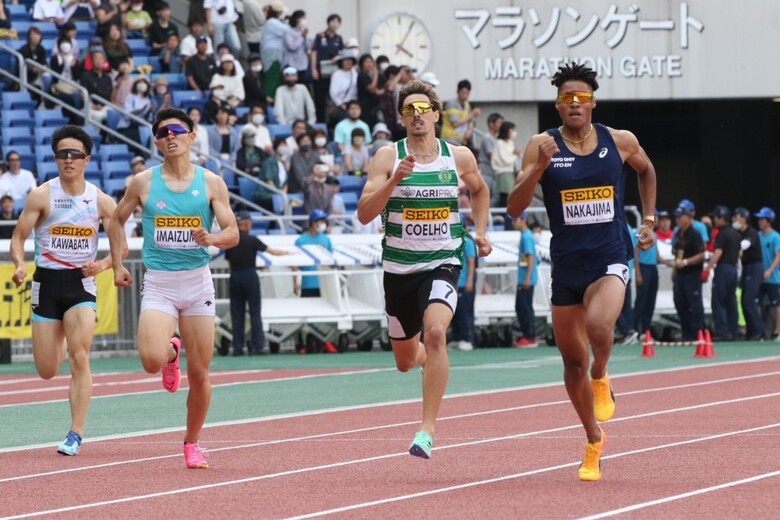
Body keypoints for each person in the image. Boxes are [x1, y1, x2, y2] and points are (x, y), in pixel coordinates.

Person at [506, 63, 657, 481]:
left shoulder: (619, 140)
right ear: (557, 105)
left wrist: (648, 219)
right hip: (567, 265)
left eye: (582, 98)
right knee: (571, 362)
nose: (574, 104)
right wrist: (539, 168)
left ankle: (602, 372)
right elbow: (514, 207)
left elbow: (647, 171)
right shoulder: (541, 145)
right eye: (567, 98)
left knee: (598, 328)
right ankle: (593, 441)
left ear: (592, 103)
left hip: (610, 255)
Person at [356, 79, 492, 459]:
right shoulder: (387, 156)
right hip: (399, 270)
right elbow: (365, 213)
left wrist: (480, 233)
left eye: (423, 109)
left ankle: (426, 430)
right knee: (404, 361)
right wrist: (395, 180)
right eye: (409, 110)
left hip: (443, 261)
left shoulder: (458, 156)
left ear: (435, 114)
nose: (417, 116)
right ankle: (424, 362)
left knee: (435, 333)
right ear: (402, 118)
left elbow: (479, 190)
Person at [108, 108, 239, 469]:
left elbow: (233, 232)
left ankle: (192, 442)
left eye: (178, 129)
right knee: (150, 359)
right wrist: (117, 263)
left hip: (197, 283)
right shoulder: (143, 183)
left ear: (192, 136)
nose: (171, 135)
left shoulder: (211, 182)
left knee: (200, 373)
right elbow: (116, 220)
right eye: (164, 132)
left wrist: (211, 237)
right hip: (160, 284)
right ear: (156, 142)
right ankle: (170, 353)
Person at [9, 125, 119, 456]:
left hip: (80, 283)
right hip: (46, 282)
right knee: (45, 370)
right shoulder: (41, 195)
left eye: (74, 154)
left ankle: (75, 433)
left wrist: (104, 265)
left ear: (87, 158)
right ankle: (62, 343)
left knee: (80, 355)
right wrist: (18, 263)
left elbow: (121, 245)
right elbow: (18, 237)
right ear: (55, 159)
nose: (68, 160)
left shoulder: (101, 200)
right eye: (62, 154)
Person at [225, 210, 287, 356]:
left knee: (237, 313)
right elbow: (272, 252)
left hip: (235, 275)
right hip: (249, 275)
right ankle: (257, 346)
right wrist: (288, 253)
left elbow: (229, 260)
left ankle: (237, 347)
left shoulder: (230, 241)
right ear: (246, 224)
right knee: (254, 312)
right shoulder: (252, 239)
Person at [703, 206, 740, 341]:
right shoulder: (736, 233)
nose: (714, 220)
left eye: (716, 217)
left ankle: (722, 331)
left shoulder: (722, 233)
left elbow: (718, 252)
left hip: (723, 268)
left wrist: (707, 269)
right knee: (731, 301)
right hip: (733, 268)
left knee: (718, 301)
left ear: (721, 218)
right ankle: (733, 330)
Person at [669, 204, 706, 341]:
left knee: (694, 303)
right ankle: (687, 332)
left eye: (680, 216)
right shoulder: (679, 233)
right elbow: (678, 252)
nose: (677, 219)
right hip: (681, 274)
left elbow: (701, 254)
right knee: (679, 301)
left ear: (688, 218)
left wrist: (685, 262)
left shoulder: (695, 234)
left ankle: (698, 333)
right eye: (677, 216)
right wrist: (675, 269)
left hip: (692, 273)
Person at [733, 206, 764, 340]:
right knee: (745, 300)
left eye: (737, 217)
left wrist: (733, 249)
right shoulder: (740, 234)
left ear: (744, 219)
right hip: (747, 267)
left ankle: (759, 331)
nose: (734, 219)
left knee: (749, 300)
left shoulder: (751, 232)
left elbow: (745, 245)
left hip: (754, 267)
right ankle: (751, 331)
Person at [448, 228, 476, 351]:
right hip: (454, 282)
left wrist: (470, 280)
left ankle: (467, 338)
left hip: (464, 282)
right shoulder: (452, 241)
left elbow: (471, 261)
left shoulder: (467, 241)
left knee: (464, 312)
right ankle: (458, 337)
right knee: (455, 312)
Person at [294, 209, 333, 298]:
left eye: (324, 221)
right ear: (313, 222)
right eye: (321, 221)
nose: (324, 223)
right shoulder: (301, 241)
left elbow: (331, 259)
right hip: (308, 284)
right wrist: (295, 282)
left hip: (325, 283)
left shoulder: (326, 239)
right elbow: (295, 264)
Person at [513, 212, 538, 347]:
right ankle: (528, 335)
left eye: (515, 219)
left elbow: (530, 257)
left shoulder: (526, 237)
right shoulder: (526, 236)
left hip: (525, 279)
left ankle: (530, 336)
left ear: (523, 220)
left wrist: (527, 277)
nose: (513, 223)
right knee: (522, 307)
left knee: (524, 308)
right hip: (524, 278)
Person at [756, 207, 780, 340]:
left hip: (773, 277)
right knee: (757, 303)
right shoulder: (758, 236)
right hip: (759, 277)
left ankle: (778, 331)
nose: (759, 221)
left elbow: (778, 256)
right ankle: (760, 330)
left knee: (776, 304)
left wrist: (770, 270)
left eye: (762, 219)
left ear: (769, 221)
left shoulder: (776, 237)